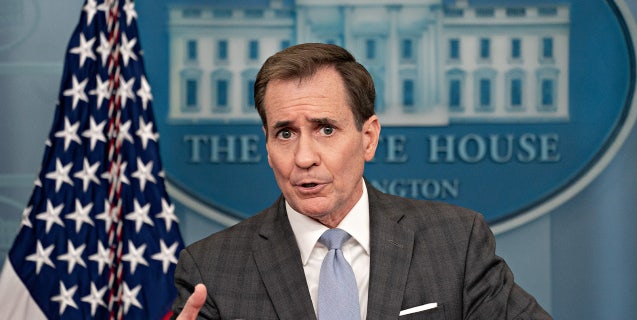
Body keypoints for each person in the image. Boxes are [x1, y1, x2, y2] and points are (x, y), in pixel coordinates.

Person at [171, 43, 552, 320]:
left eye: (325, 129)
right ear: (267, 146)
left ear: (368, 138)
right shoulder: (210, 269)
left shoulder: (455, 242)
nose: (304, 157)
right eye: (285, 133)